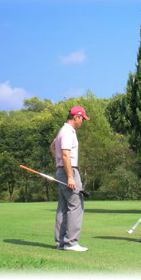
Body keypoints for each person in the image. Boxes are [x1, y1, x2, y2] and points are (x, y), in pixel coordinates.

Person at [50, 106, 90, 252]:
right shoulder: (68, 132)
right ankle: (71, 243)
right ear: (76, 117)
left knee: (63, 207)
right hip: (69, 171)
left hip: (62, 170)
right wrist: (70, 177)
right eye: (82, 119)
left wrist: (58, 163)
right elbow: (66, 154)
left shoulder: (63, 130)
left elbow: (53, 146)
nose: (82, 122)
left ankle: (61, 241)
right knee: (76, 205)